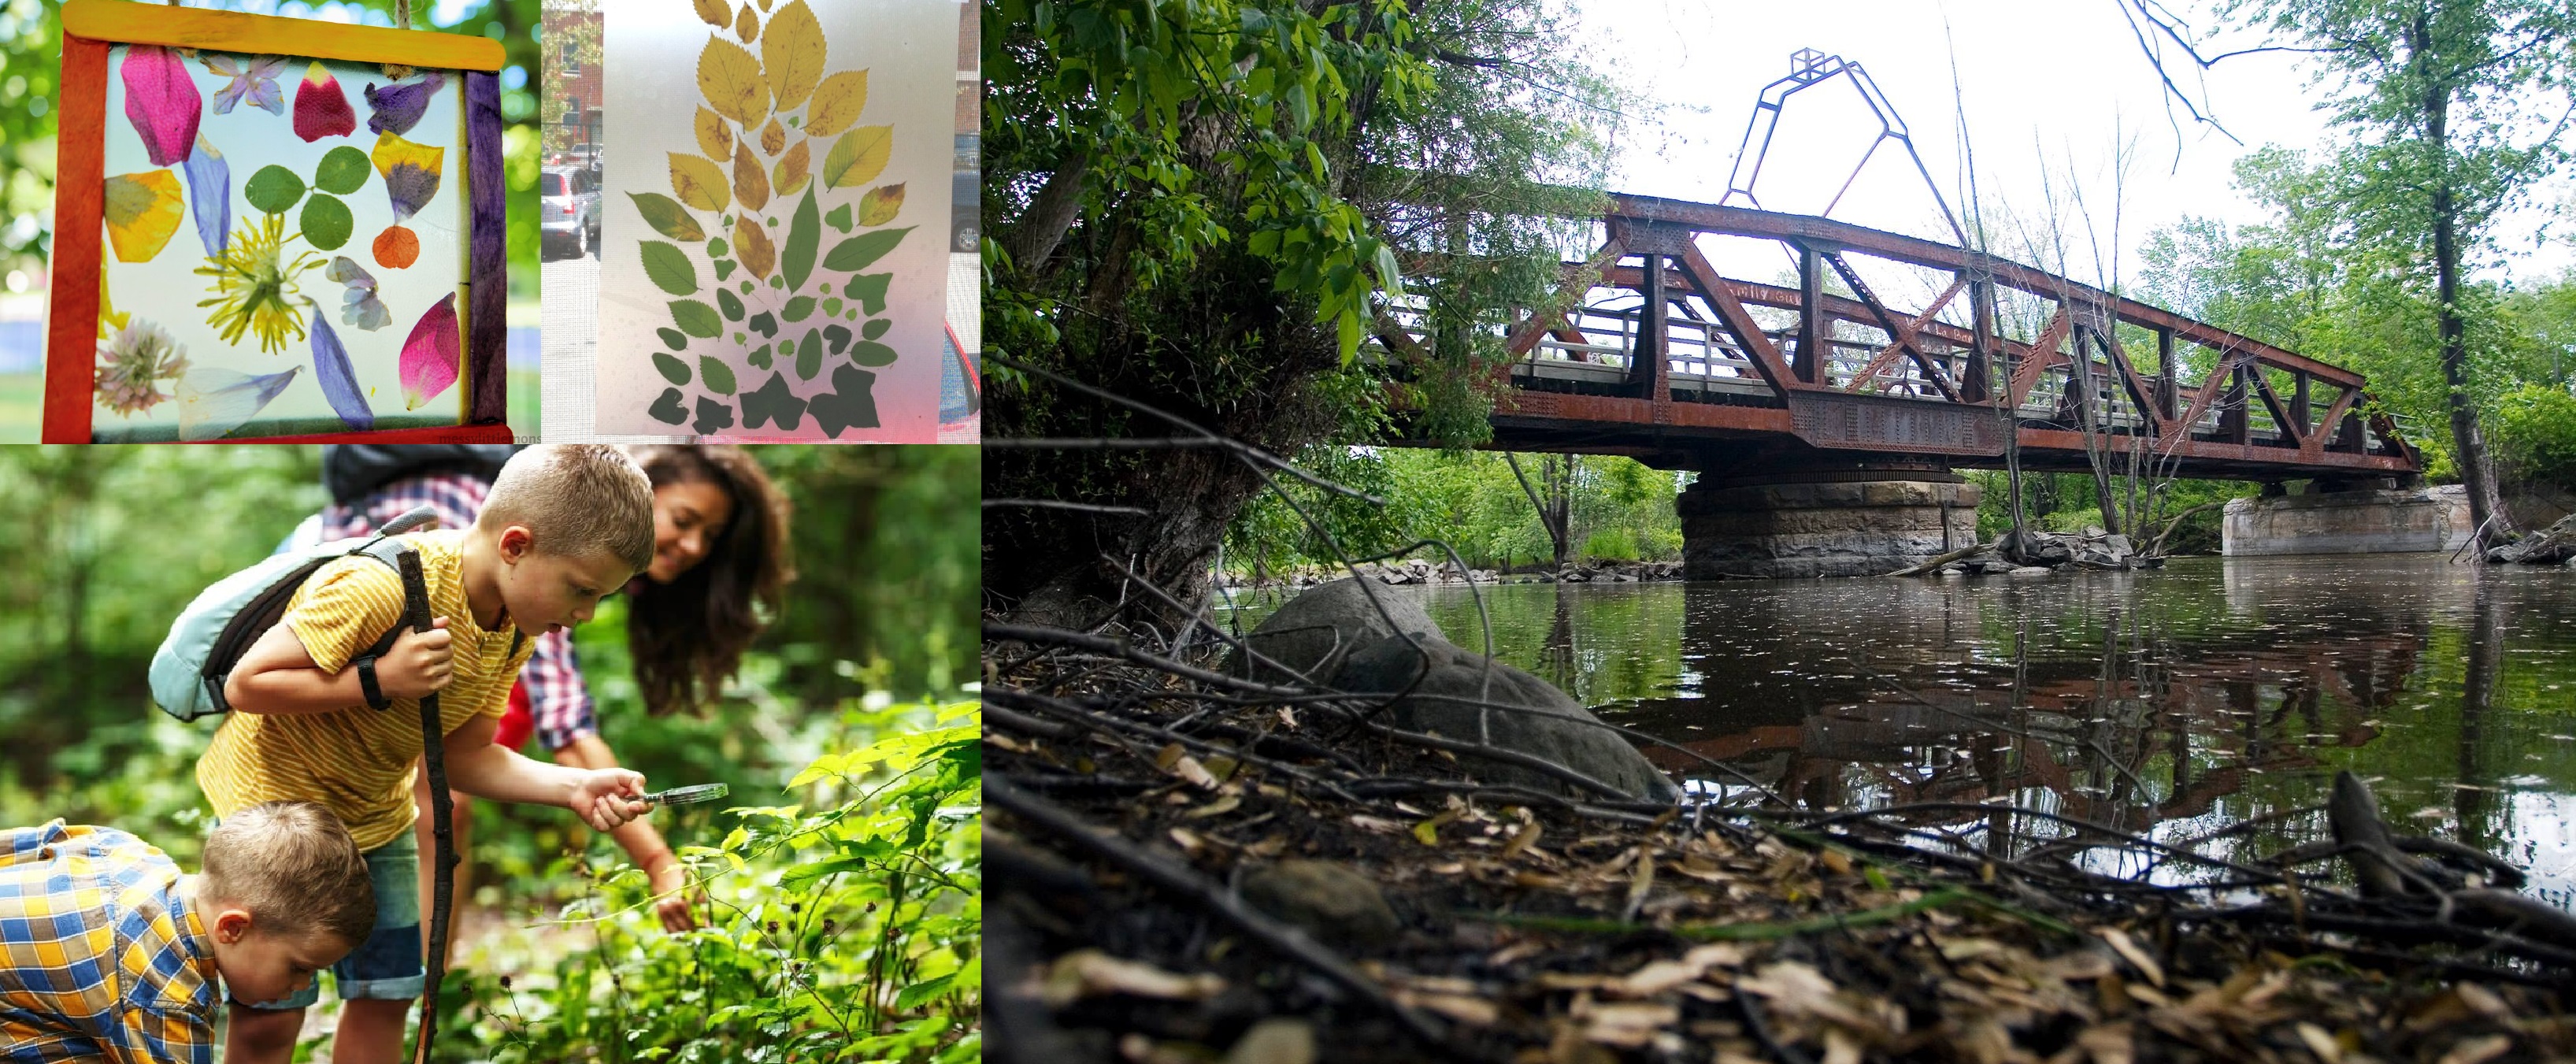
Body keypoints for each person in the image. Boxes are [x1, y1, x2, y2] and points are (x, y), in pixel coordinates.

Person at [198, 444, 662, 1064]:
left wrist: (571, 788)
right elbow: (247, 685)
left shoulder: (510, 627)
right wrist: (379, 678)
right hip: (275, 815)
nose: (584, 614)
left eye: (601, 596)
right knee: (269, 1015)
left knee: (387, 995)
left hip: (378, 817)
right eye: (581, 589)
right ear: (516, 545)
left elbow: (466, 757)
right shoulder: (379, 585)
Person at [309, 445, 791, 948]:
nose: (694, 546)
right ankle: (414, 991)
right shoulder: (533, 548)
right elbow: (568, 727)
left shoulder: (572, 571)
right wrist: (656, 861)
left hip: (413, 669)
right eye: (684, 519)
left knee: (453, 790)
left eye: (709, 537)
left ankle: (427, 993)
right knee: (439, 802)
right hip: (333, 641)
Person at [0, 802, 374, 1063]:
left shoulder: (135, 854)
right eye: (298, 967)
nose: (301, 984)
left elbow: (28, 843)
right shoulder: (164, 994)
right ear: (232, 928)